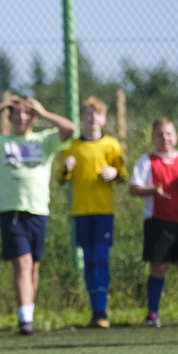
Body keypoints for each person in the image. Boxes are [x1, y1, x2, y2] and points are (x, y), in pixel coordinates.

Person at [0, 95, 75, 335]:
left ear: (33, 117)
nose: (22, 117)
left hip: (39, 211)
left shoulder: (44, 141)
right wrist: (0, 106)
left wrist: (43, 112)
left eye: (27, 113)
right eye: (16, 113)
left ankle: (28, 314)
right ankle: (25, 320)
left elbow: (70, 128)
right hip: (11, 211)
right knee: (23, 264)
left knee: (33, 266)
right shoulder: (1, 142)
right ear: (10, 118)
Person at [56, 96, 128, 328]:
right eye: (88, 113)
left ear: (104, 118)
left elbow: (123, 175)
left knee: (101, 257)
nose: (92, 117)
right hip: (81, 212)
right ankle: (96, 311)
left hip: (103, 211)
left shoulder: (111, 145)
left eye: (96, 113)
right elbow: (60, 178)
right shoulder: (73, 147)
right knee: (88, 260)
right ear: (81, 118)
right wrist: (67, 169)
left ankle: (102, 308)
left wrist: (114, 173)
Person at [128, 118, 178, 327]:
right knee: (158, 267)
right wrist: (152, 190)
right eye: (160, 134)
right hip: (157, 222)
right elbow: (134, 188)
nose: (165, 138)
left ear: (176, 136)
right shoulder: (147, 160)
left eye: (169, 133)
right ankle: (153, 313)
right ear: (153, 138)